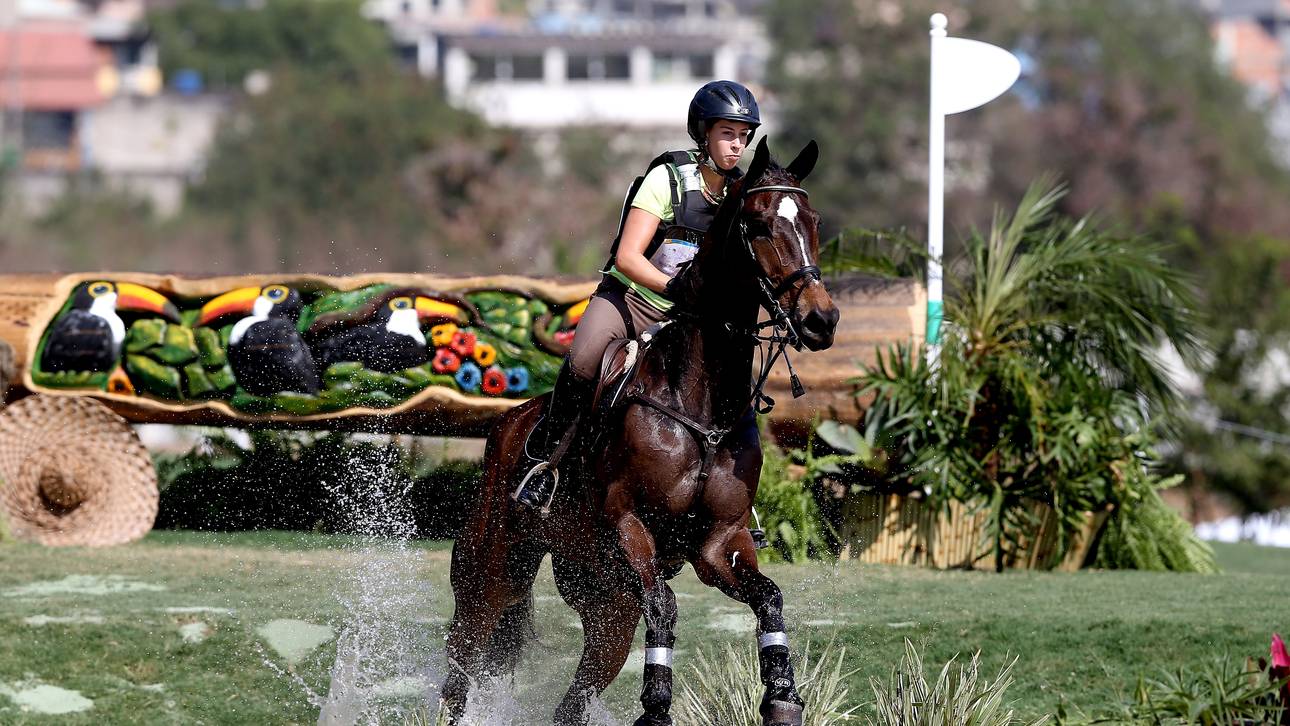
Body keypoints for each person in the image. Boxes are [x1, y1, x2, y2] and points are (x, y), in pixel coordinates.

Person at [513, 79, 760, 512]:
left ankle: (734, 497)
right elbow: (628, 257)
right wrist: (675, 290)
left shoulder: (741, 196)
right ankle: (544, 466)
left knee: (729, 385)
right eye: (727, 134)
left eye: (743, 136)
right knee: (585, 360)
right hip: (631, 302)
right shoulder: (666, 179)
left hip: (691, 320)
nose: (737, 146)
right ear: (703, 133)